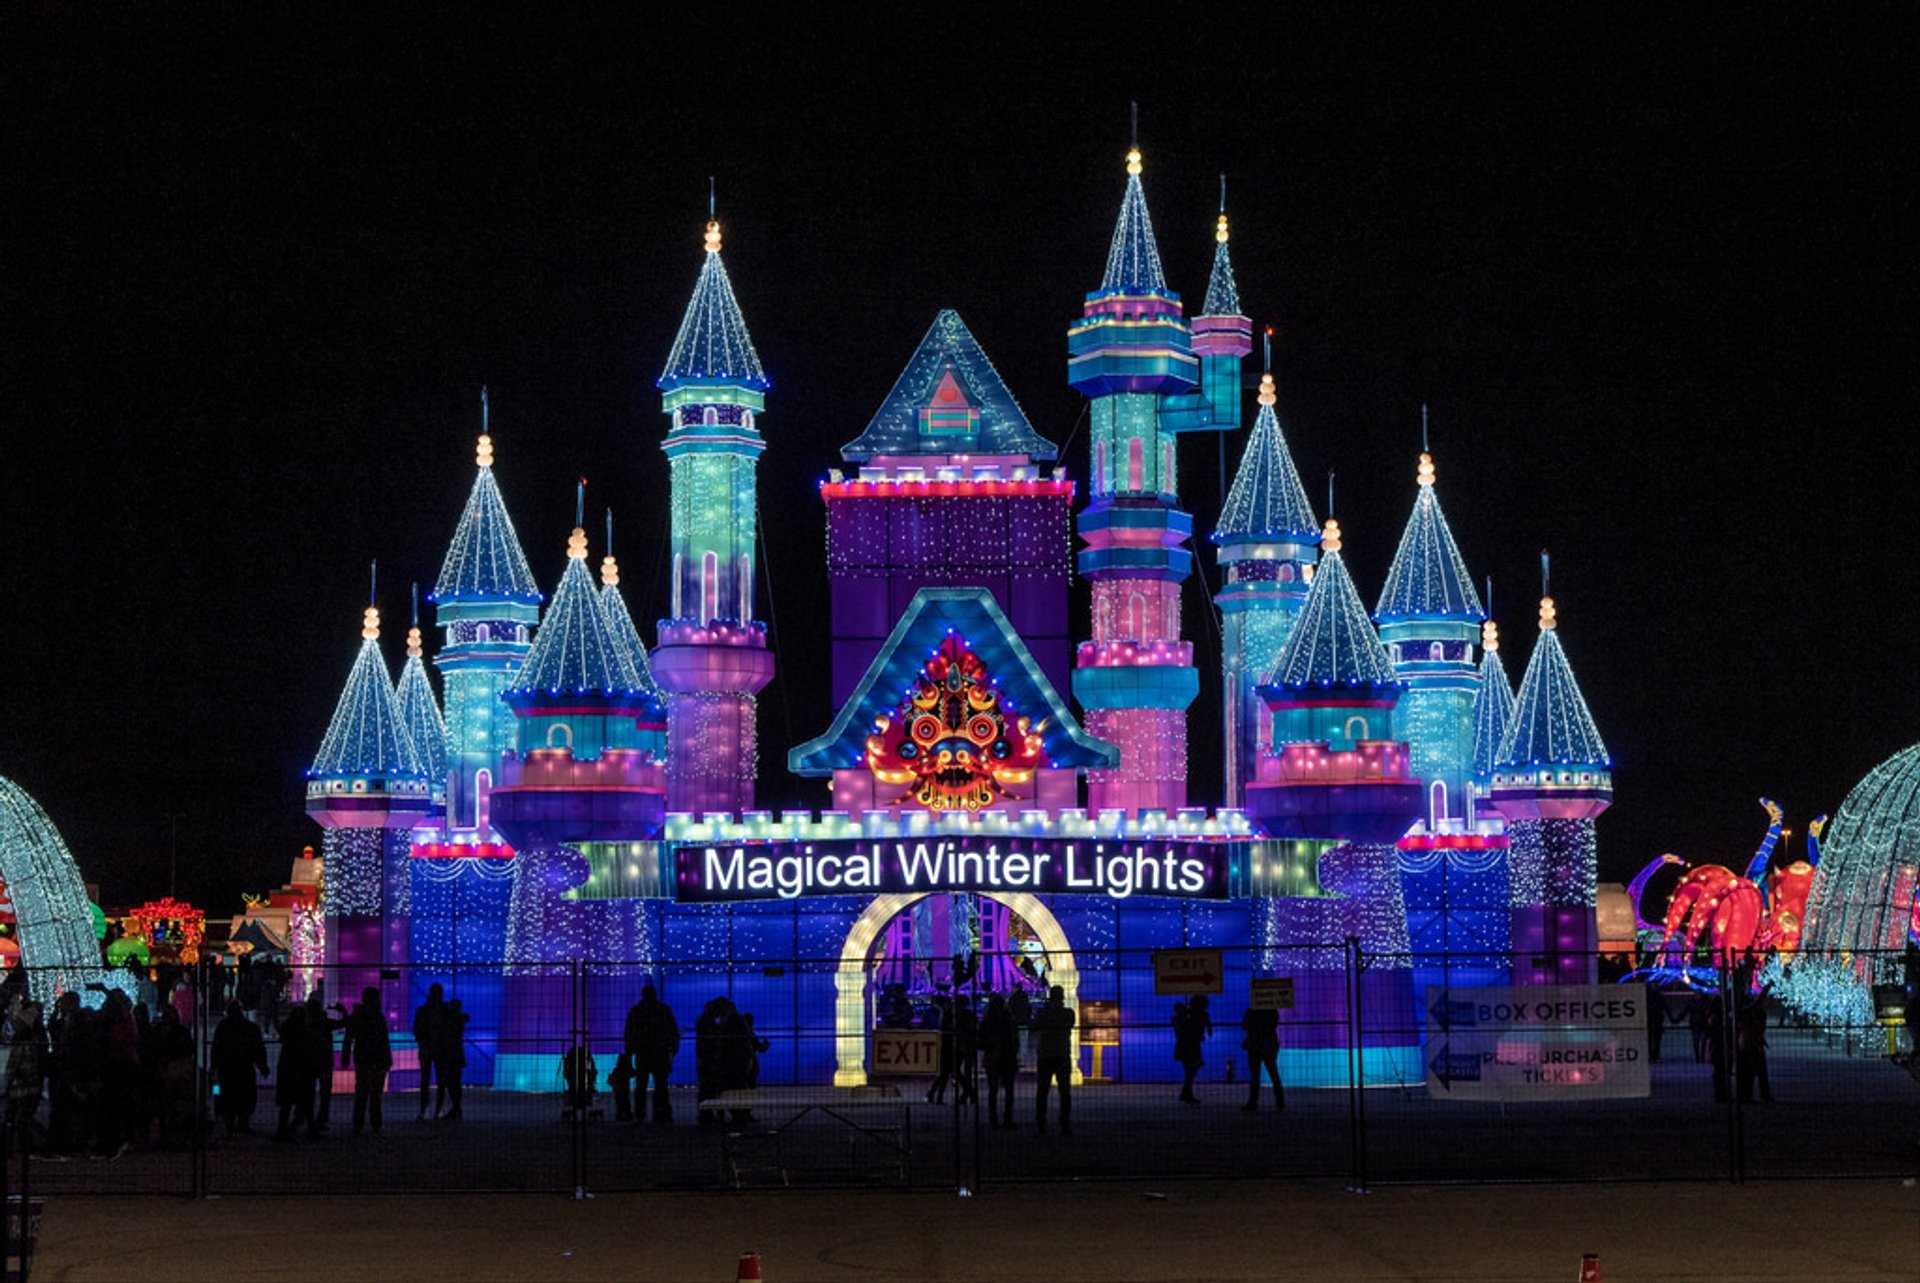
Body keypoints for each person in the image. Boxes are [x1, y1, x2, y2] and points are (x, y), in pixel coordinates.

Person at [624, 984, 680, 1125]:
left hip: (643, 1053)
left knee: (641, 1087)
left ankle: (640, 1114)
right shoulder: (664, 1010)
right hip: (660, 1052)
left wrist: (629, 1056)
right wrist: (672, 1050)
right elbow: (673, 1032)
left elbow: (629, 1036)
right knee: (661, 1085)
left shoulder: (636, 1011)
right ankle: (661, 1113)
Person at [339, 987, 392, 1135]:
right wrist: (387, 1058)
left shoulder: (358, 1016)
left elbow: (348, 1037)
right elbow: (384, 1040)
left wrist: (345, 1057)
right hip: (377, 1058)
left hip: (362, 1058)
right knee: (375, 1094)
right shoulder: (378, 1016)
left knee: (362, 1092)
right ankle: (375, 1124)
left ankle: (359, 1123)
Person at [211, 1001, 268, 1137]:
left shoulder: (223, 1027)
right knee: (245, 1097)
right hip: (244, 1067)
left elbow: (216, 1048)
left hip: (228, 1068)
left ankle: (230, 1126)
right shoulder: (251, 1028)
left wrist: (214, 1066)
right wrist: (262, 1065)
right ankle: (243, 1124)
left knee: (227, 1097)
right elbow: (258, 1049)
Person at [6, 1000, 46, 1157]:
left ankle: (25, 1148)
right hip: (30, 1084)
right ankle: (27, 1146)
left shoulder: (23, 1040)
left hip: (21, 1085)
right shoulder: (37, 1037)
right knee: (23, 1117)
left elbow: (14, 1064)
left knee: (21, 1118)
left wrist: (8, 1082)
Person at [1033, 984, 1074, 1136]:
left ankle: (1041, 1122)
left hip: (1045, 1054)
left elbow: (1035, 1026)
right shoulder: (1068, 1013)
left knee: (1042, 1091)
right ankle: (1064, 1123)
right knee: (1064, 1091)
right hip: (1062, 1053)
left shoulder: (1043, 1013)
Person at [303, 990, 345, 1135]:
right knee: (325, 1092)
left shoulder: (306, 1025)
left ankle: (308, 1120)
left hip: (310, 1061)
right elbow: (343, 1023)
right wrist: (343, 1011)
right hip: (325, 1061)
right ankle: (321, 1119)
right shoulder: (325, 1023)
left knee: (309, 1093)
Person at [274, 1004, 315, 1140]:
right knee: (306, 1101)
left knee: (286, 1103)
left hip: (287, 1070)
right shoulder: (306, 1033)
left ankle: (282, 1129)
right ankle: (310, 1129)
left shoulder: (288, 1033)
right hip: (303, 1071)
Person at [979, 992, 1019, 1128]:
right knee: (1009, 1091)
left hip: (992, 1057)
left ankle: (993, 1118)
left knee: (993, 1090)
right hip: (1007, 1057)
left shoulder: (988, 1021)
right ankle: (1008, 1118)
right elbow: (1014, 1039)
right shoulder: (1009, 1019)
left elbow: (981, 1039)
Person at [411, 983, 447, 1121]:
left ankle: (425, 1107)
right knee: (440, 1080)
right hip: (439, 1049)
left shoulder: (422, 1010)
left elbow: (416, 1029)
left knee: (426, 1079)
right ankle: (438, 1108)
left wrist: (422, 1041)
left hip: (427, 1048)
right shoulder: (444, 1010)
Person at [1240, 1002, 1284, 1111]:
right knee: (1273, 1072)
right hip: (1268, 1044)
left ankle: (1253, 1102)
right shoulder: (1271, 1010)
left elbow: (1244, 1025)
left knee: (1255, 1075)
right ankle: (1280, 1102)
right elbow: (1273, 1024)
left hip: (1255, 1044)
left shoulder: (1251, 1010)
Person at [1173, 994, 1212, 1104]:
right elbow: (1208, 1031)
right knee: (1191, 1071)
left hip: (1186, 1045)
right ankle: (1186, 1094)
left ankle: (1186, 1094)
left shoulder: (1187, 1014)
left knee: (1190, 1071)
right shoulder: (1197, 1015)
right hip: (1190, 1045)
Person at [434, 998, 468, 1120]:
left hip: (449, 1055)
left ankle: (455, 1109)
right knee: (455, 1082)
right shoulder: (459, 1020)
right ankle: (456, 1108)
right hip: (456, 1055)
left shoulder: (450, 1022)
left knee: (451, 1082)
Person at [926, 995, 955, 1104]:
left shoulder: (944, 1015)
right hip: (948, 1046)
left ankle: (935, 1094)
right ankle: (935, 1094)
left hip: (945, 1046)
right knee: (945, 1073)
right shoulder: (948, 1016)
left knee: (944, 1073)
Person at [1008, 986, 1032, 1068]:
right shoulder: (1025, 997)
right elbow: (1029, 1009)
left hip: (1015, 1024)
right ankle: (1022, 1060)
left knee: (1014, 1042)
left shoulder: (1013, 998)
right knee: (1023, 1042)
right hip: (1024, 1023)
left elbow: (1010, 1010)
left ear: (1015, 988)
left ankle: (1015, 1059)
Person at [1645, 985, 1668, 1063]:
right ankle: (1653, 1055)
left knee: (1654, 1039)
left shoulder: (1649, 997)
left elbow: (1665, 1008)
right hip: (1653, 1021)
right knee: (1652, 1039)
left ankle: (1654, 1055)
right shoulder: (1652, 997)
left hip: (1655, 1021)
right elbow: (1666, 1008)